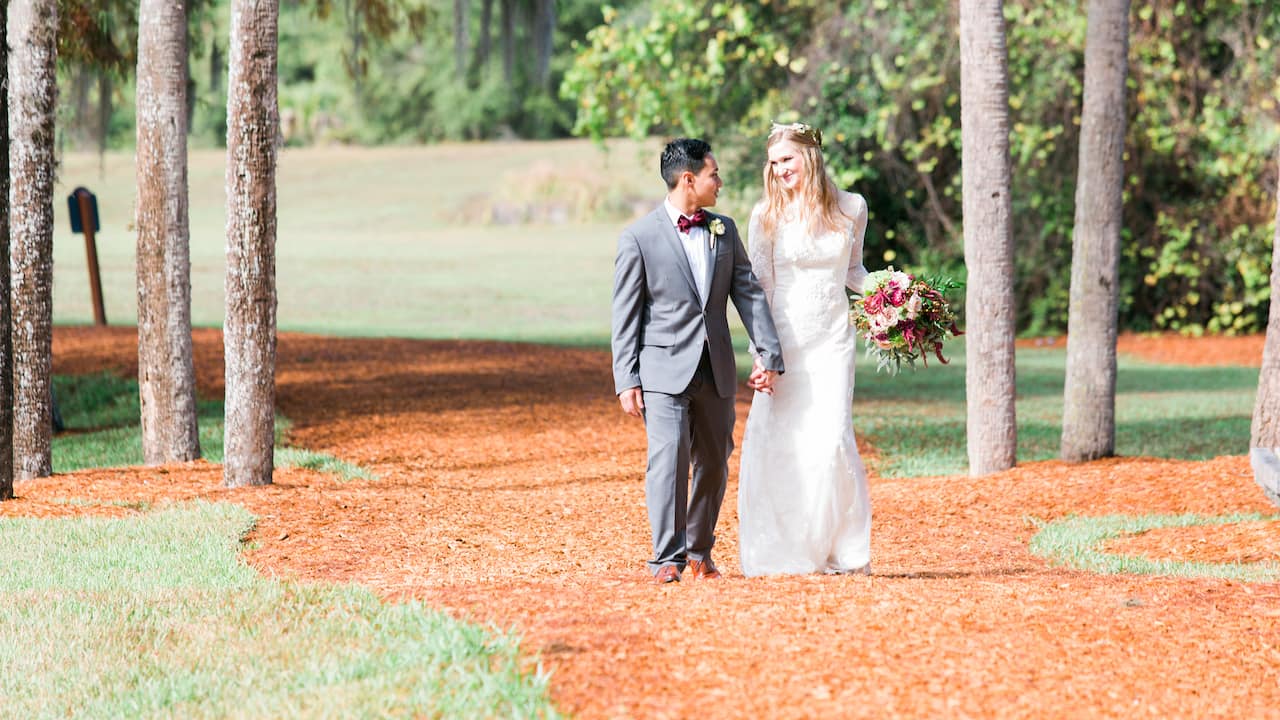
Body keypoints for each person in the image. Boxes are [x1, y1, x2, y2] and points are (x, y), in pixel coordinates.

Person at [611, 137, 785, 584]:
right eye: (714, 174)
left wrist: (768, 352)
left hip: (716, 366)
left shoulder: (723, 230)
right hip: (662, 370)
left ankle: (699, 551)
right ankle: (665, 558)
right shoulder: (638, 237)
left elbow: (747, 293)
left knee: (714, 458)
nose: (720, 182)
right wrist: (626, 378)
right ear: (688, 179)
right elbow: (625, 313)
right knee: (668, 458)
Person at [737, 121, 873, 577]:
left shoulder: (853, 207)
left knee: (832, 437)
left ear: (809, 157)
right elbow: (762, 289)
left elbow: (854, 271)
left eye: (787, 160)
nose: (779, 171)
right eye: (773, 164)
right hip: (787, 343)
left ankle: (838, 549)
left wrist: (895, 294)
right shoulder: (766, 215)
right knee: (786, 442)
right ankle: (787, 547)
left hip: (834, 340)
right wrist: (764, 355)